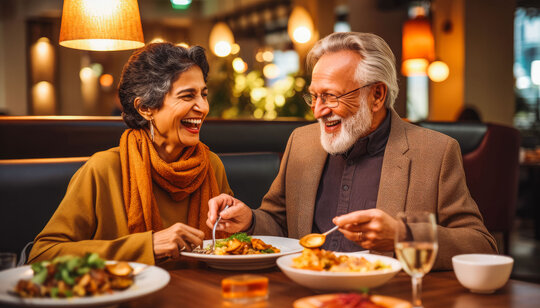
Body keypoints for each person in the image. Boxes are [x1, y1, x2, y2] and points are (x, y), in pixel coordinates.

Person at [207, 32, 497, 270]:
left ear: (377, 95)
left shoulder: (435, 152)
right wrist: (251, 220)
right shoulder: (302, 143)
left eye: (331, 96)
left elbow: (480, 243)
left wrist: (402, 237)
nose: (318, 110)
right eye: (315, 96)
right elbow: (279, 222)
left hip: (385, 304)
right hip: (303, 297)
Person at [29, 43, 232, 265]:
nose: (203, 107)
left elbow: (232, 247)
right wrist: (145, 247)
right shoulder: (103, 169)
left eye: (203, 94)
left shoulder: (211, 165)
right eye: (187, 96)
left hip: (201, 295)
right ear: (145, 108)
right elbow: (42, 255)